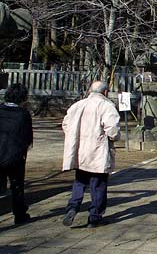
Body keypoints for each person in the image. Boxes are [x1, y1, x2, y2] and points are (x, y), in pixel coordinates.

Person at [62, 81, 120, 228]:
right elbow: (113, 130)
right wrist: (115, 137)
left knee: (80, 181)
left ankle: (73, 206)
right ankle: (95, 216)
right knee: (98, 184)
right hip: (98, 151)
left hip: (80, 151)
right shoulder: (107, 106)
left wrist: (74, 137)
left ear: (90, 91)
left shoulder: (77, 105)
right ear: (105, 92)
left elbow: (66, 124)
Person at [0, 84, 33, 225]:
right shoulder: (23, 114)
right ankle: (19, 215)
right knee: (17, 186)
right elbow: (28, 137)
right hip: (15, 156)